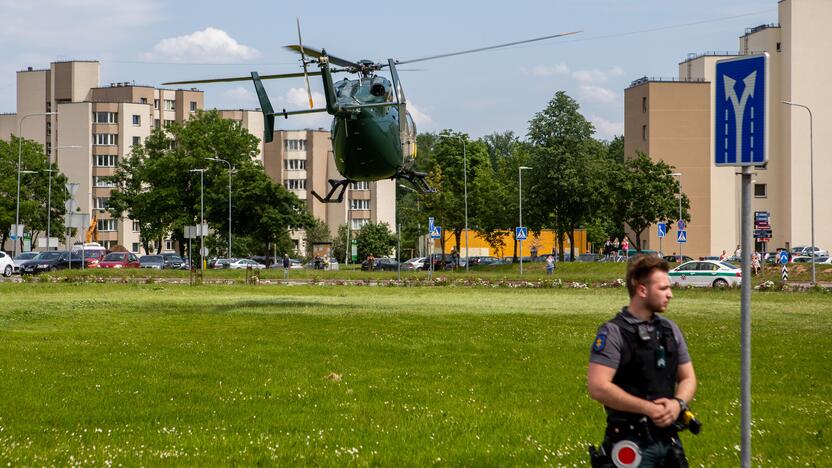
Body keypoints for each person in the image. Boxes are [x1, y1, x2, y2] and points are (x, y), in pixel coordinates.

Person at [588, 255, 697, 467]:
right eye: (663, 288)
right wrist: (647, 408)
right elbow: (598, 387)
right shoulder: (613, 333)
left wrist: (678, 404)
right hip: (631, 443)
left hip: (668, 442)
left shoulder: (669, 330)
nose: (670, 294)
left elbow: (688, 377)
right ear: (642, 290)